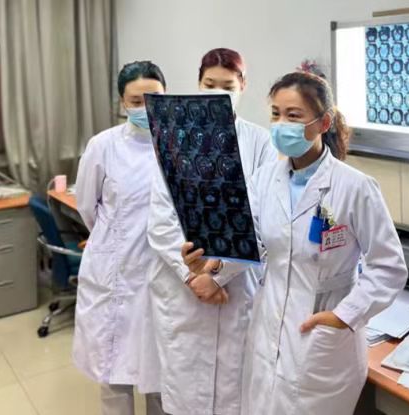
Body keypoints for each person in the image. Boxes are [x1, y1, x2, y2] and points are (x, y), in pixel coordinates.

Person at [182, 71, 408, 415]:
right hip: (268, 326)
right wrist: (212, 263)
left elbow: (388, 268)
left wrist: (344, 316)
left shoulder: (355, 187)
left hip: (323, 332)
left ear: (323, 123)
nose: (281, 125)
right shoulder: (264, 179)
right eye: (275, 114)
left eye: (293, 115)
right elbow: (252, 243)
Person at [137, 48, 277, 415]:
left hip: (236, 286)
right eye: (209, 84)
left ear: (243, 86)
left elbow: (264, 218)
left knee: (235, 392)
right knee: (186, 391)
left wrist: (217, 275)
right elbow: (161, 219)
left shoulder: (260, 142)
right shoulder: (173, 137)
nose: (217, 93)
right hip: (184, 288)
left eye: (227, 86)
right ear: (198, 84)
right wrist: (192, 276)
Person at [73, 61, 166, 415]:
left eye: (153, 99)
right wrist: (114, 241)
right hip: (114, 273)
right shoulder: (103, 145)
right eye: (136, 101)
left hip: (163, 272)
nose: (145, 108)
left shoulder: (179, 145)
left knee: (161, 377)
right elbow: (87, 207)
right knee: (113, 375)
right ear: (122, 103)